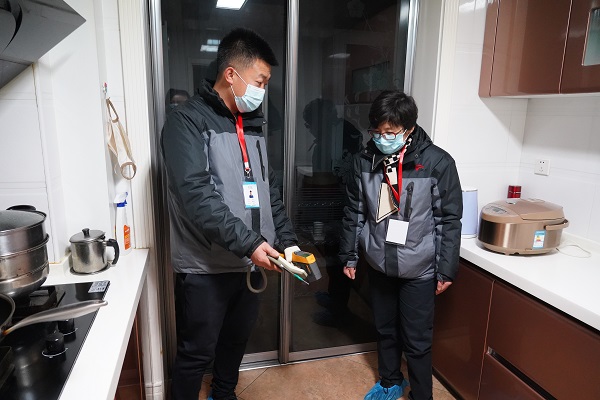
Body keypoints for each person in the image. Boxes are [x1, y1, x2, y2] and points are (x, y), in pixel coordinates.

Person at [161, 28, 300, 400]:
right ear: (231, 74)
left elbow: (267, 193)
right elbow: (197, 196)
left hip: (247, 261)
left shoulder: (250, 124)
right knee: (196, 351)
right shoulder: (186, 122)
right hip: (205, 266)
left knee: (236, 340)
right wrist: (250, 243)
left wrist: (287, 241)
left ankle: (224, 394)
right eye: (260, 81)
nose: (263, 90)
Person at [339, 90, 462, 400]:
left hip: (419, 268)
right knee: (384, 329)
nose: (383, 139)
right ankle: (390, 381)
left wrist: (446, 269)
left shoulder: (437, 162)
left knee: (417, 339)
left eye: (390, 133)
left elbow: (448, 219)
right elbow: (355, 211)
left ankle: (421, 395)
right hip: (379, 262)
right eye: (377, 132)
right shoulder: (364, 161)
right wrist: (350, 255)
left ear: (409, 129)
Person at [301, 98, 363, 327]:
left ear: (322, 118)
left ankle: (339, 312)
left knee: (339, 259)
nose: (310, 129)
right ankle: (333, 298)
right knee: (332, 256)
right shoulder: (334, 133)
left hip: (344, 207)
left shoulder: (342, 135)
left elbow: (332, 176)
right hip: (335, 205)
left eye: (310, 124)